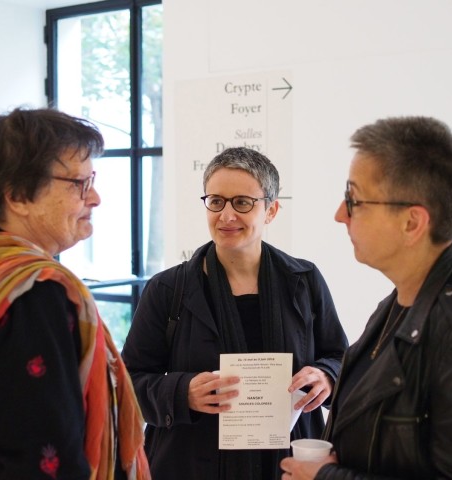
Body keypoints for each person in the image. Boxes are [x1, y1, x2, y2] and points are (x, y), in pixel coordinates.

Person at [280, 116, 452, 479]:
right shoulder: (407, 298)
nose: (340, 215)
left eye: (354, 200)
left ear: (412, 223)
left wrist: (329, 477)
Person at [0, 107, 150, 479]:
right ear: (18, 197)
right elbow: (43, 454)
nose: (95, 198)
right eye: (79, 184)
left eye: (92, 180)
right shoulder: (34, 292)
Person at [121, 147, 348, 480]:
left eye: (242, 202)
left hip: (288, 463)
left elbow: (340, 357)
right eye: (216, 201)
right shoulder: (168, 289)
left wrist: (325, 376)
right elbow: (128, 382)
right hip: (191, 464)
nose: (226, 216)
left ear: (271, 210)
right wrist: (182, 392)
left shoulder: (304, 280)